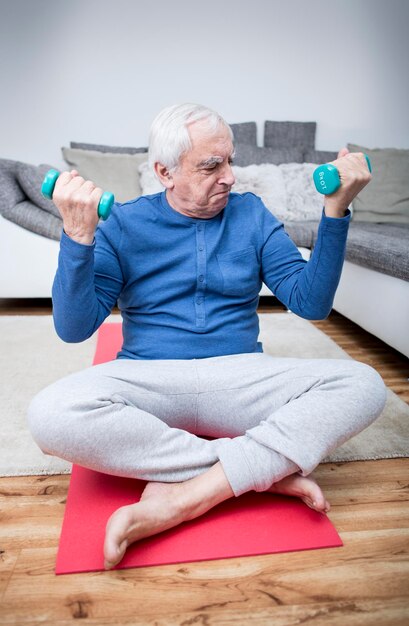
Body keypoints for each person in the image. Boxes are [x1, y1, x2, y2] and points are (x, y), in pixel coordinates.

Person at [28, 103, 386, 570]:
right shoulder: (123, 223)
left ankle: (188, 496)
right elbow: (74, 328)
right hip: (147, 379)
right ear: (164, 172)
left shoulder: (251, 214)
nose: (230, 177)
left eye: (230, 161)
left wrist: (336, 210)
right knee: (49, 414)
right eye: (211, 165)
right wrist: (77, 236)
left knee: (364, 385)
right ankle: (257, 471)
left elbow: (310, 302)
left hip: (241, 377)